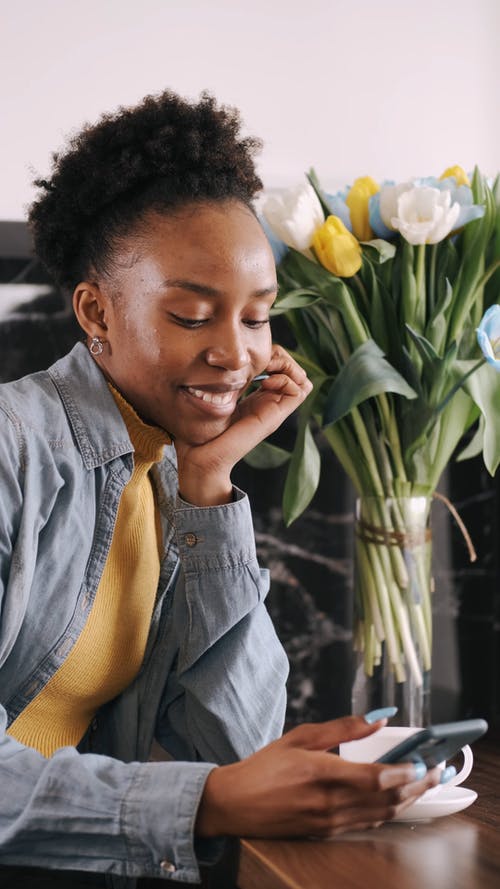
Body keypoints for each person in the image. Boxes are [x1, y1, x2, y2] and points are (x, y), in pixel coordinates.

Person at [0, 90, 440, 888]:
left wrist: (208, 488)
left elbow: (231, 746)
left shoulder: (172, 470)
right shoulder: (12, 446)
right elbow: (216, 787)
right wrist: (207, 798)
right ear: (96, 310)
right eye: (194, 315)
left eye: (258, 316)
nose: (236, 355)